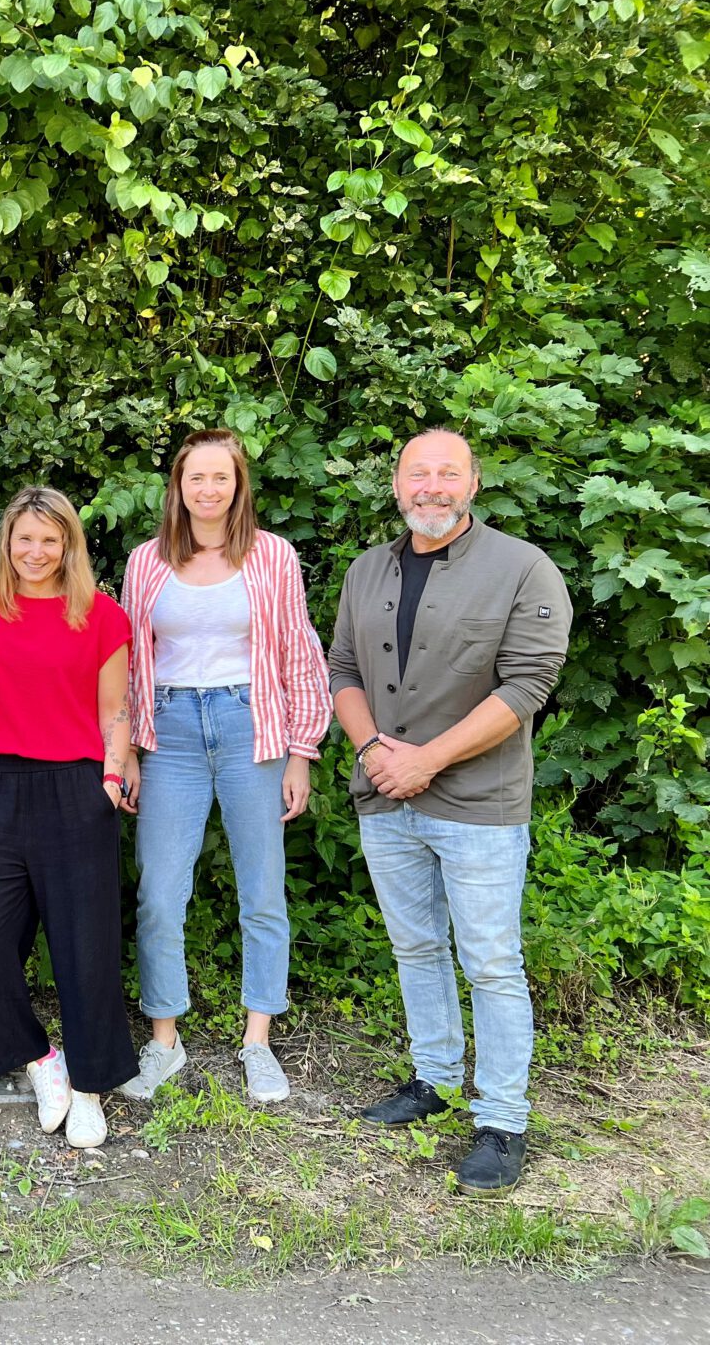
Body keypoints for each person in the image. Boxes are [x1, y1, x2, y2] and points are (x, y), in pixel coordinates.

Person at [328, 428, 571, 1196]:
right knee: (417, 949)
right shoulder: (369, 571)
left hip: (477, 805)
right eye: (417, 473)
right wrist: (373, 752)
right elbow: (342, 668)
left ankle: (502, 1120)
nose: (430, 486)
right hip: (385, 794)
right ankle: (433, 1081)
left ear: (473, 482)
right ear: (397, 485)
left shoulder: (523, 568)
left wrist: (427, 761)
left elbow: (527, 686)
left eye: (446, 473)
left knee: (492, 963)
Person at [117, 430, 331, 1104]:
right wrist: (124, 752)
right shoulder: (147, 562)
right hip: (171, 733)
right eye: (195, 478)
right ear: (177, 487)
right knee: (159, 893)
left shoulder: (272, 557)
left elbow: (299, 655)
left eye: (221, 478)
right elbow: (126, 664)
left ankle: (258, 1040)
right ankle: (164, 1040)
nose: (208, 490)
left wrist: (302, 752)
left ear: (239, 486)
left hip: (253, 729)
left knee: (262, 891)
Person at [0, 486, 138, 1149]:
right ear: (7, 544)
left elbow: (116, 709)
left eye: (49, 540)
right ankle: (41, 1059)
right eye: (24, 539)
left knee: (85, 951)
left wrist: (111, 780)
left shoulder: (103, 617)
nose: (35, 552)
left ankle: (90, 1088)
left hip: (76, 788)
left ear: (69, 546)